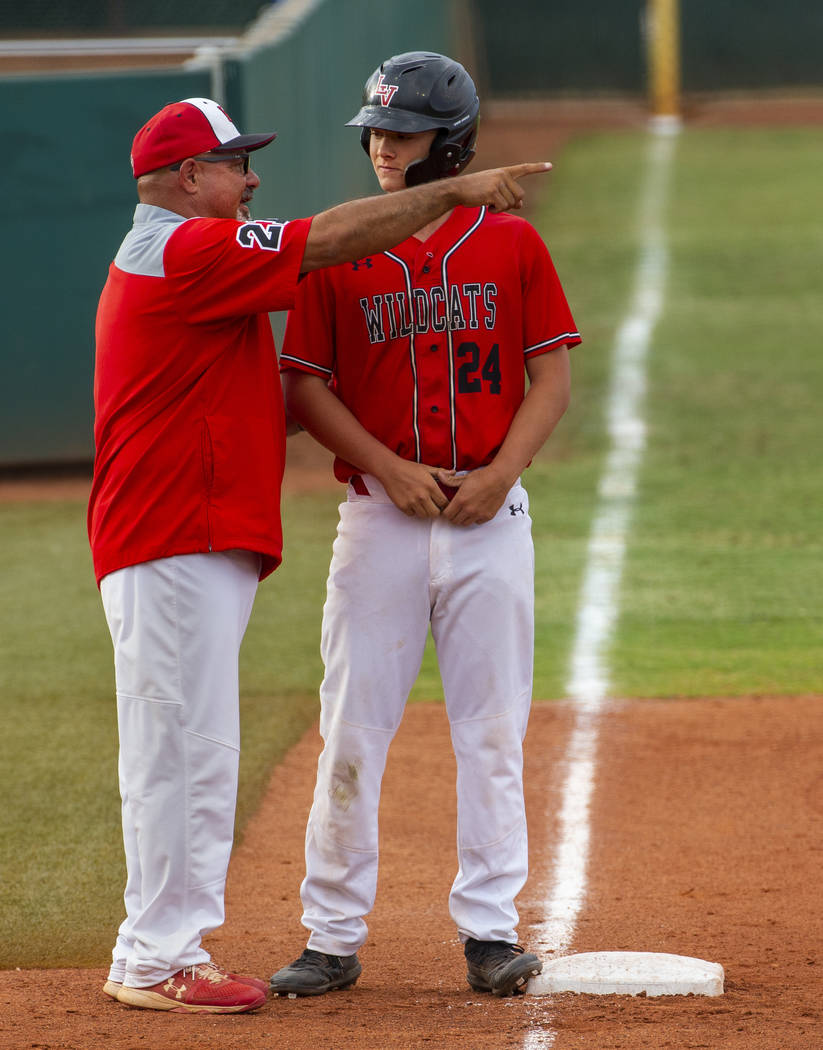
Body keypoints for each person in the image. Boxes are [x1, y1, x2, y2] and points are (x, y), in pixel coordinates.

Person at [87, 94, 552, 1015]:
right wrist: (459, 191)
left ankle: (163, 944)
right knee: (182, 751)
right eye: (235, 164)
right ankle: (157, 954)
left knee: (188, 748)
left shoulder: (185, 253)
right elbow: (333, 240)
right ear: (189, 177)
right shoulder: (185, 249)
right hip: (173, 532)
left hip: (191, 533)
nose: (251, 178)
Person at [269, 52, 581, 1000]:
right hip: (380, 523)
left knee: (491, 731)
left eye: (398, 135)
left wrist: (501, 475)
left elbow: (551, 380)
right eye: (373, 133)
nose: (379, 148)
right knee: (352, 729)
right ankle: (330, 935)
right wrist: (391, 467)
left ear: (448, 144)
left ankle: (490, 931)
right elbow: (304, 388)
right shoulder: (337, 248)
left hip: (492, 521)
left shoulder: (511, 245)